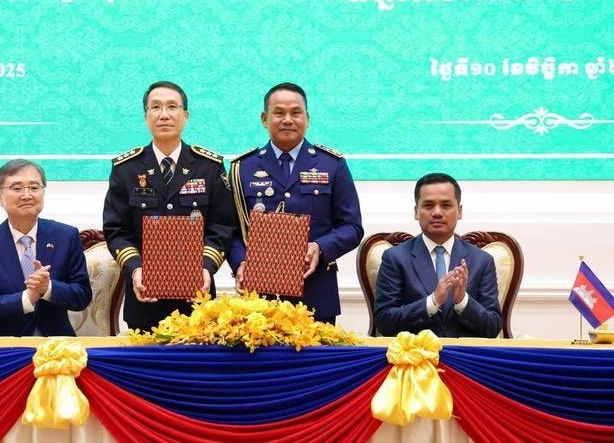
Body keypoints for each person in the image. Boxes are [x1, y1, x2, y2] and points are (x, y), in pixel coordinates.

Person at [103, 80, 235, 332]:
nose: (164, 114)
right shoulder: (126, 168)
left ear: (185, 116)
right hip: (144, 299)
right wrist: (136, 269)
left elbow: (222, 226)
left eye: (172, 107)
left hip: (197, 300)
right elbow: (117, 230)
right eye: (156, 107)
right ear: (146, 117)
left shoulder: (209, 166)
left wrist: (206, 267)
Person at [228, 82, 364, 324]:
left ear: (307, 119)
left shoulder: (331, 164)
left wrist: (320, 247)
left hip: (316, 295)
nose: (288, 120)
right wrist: (241, 263)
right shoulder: (243, 168)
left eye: (296, 113)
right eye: (279, 113)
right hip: (258, 298)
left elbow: (352, 227)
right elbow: (230, 230)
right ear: (264, 119)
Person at [0, 159, 92, 337]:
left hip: (57, 346)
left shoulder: (66, 236)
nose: (27, 195)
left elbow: (82, 296)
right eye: (17, 188)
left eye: (34, 187)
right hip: (4, 346)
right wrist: (26, 298)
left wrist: (48, 288)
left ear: (43, 192)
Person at [374, 172, 502, 337]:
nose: (437, 212)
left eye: (446, 205)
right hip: (416, 352)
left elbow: (493, 327)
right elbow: (385, 322)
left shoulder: (482, 261)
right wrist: (432, 302)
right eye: (428, 206)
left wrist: (462, 301)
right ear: (416, 211)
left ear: (459, 211)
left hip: (463, 352)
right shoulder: (395, 258)